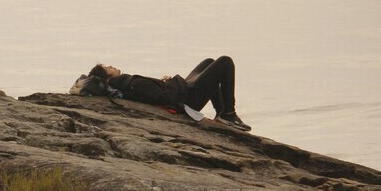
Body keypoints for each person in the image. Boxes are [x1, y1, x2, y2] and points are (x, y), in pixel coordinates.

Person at [74, 56, 251, 131]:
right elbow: (165, 98)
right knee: (224, 62)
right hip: (187, 99)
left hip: (182, 90)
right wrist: (170, 82)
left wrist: (165, 83)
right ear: (107, 79)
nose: (111, 66)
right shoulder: (127, 83)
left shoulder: (126, 83)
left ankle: (221, 113)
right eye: (108, 68)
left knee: (209, 63)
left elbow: (155, 92)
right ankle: (229, 114)